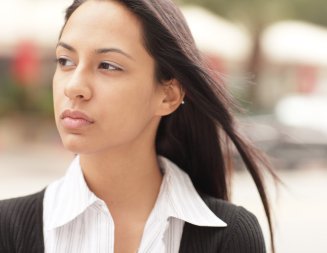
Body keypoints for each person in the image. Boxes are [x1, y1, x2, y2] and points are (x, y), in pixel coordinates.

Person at [0, 0, 276, 252]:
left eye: (107, 65)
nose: (74, 87)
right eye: (65, 61)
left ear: (167, 95)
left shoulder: (229, 237)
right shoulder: (8, 229)